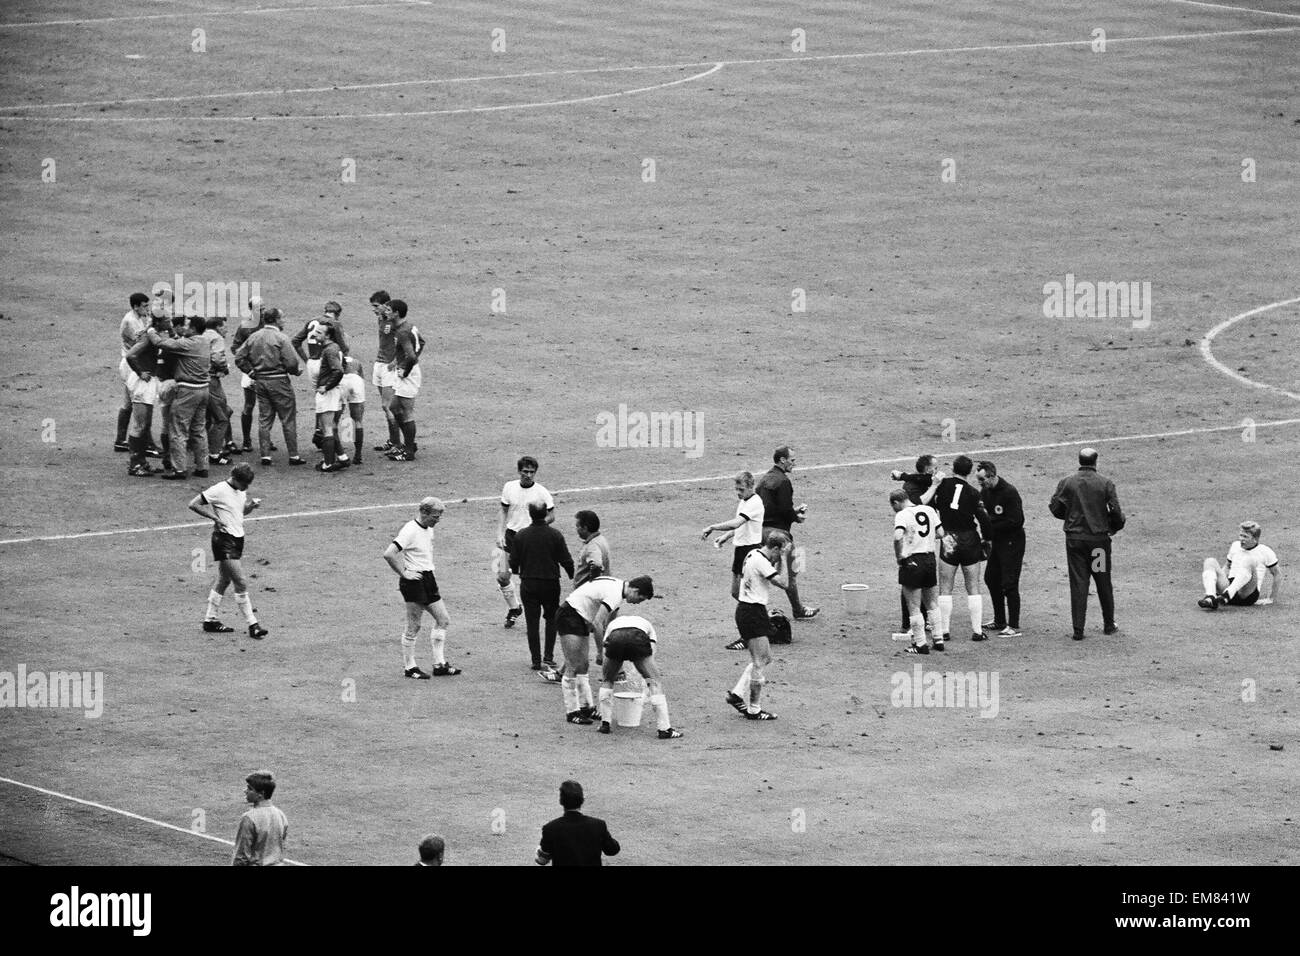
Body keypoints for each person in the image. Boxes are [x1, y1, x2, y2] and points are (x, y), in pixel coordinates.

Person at [542, 575, 653, 723]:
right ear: (635, 590)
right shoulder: (614, 594)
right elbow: (597, 624)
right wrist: (601, 652)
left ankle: (586, 708)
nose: (637, 603)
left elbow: (608, 624)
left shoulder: (618, 589)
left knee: (583, 665)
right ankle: (572, 712)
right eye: (640, 599)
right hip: (570, 615)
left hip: (580, 617)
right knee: (573, 665)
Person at [1048, 447, 1125, 640]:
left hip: (1075, 542)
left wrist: (1070, 517)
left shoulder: (1067, 482)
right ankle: (1108, 624)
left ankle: (1078, 629)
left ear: (1080, 461)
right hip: (1098, 543)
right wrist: (1113, 526)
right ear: (1095, 462)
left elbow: (1055, 507)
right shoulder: (1105, 483)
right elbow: (1116, 512)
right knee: (1102, 581)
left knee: (1079, 582)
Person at [382, 498, 460, 678]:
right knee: (414, 626)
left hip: (428, 578)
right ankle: (410, 667)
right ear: (424, 513)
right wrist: (404, 574)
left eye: (440, 515)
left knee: (443, 619)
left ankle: (439, 664)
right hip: (414, 581)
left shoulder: (429, 529)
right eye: (435, 515)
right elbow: (389, 554)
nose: (438, 519)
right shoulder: (410, 530)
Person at [188, 463, 268, 639]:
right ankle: (253, 624)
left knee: (224, 580)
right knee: (240, 581)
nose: (247, 487)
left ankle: (210, 620)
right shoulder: (218, 490)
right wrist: (214, 518)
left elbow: (240, 512)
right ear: (236, 479)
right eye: (245, 484)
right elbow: (193, 504)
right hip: (223, 541)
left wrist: (251, 506)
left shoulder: (240, 490)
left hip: (238, 538)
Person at [920, 455, 991, 643]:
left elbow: (930, 503)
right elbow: (984, 520)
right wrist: (988, 540)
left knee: (945, 587)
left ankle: (944, 630)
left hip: (949, 538)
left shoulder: (943, 484)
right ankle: (977, 631)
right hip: (969, 539)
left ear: (953, 468)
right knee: (973, 586)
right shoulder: (974, 493)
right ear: (969, 472)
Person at [726, 530, 790, 720]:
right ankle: (754, 709)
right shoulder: (761, 561)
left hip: (750, 611)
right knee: (759, 662)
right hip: (752, 613)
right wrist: (784, 559)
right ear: (776, 548)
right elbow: (784, 583)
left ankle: (737, 694)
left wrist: (779, 558)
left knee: (765, 657)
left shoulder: (753, 554)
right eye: (781, 551)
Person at [233, 306, 305, 467]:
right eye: (282, 318)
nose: (284, 320)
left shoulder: (254, 337)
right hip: (279, 381)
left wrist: (251, 372)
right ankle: (293, 455)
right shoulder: (281, 338)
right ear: (276, 320)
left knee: (265, 418)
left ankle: (265, 455)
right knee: (288, 418)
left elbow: (239, 356)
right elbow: (292, 362)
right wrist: (294, 371)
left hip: (261, 381)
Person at [510, 501, 575, 670]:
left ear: (530, 514)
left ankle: (536, 660)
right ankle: (548, 657)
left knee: (532, 622)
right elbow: (566, 559)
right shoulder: (555, 535)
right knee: (551, 619)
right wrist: (572, 575)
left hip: (529, 583)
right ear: (546, 513)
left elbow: (514, 561)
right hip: (550, 582)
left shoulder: (521, 535)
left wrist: (519, 571)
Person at [595, 614, 682, 739]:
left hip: (614, 638)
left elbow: (606, 654)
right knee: (654, 682)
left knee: (607, 680)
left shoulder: (611, 626)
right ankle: (664, 729)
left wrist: (615, 673)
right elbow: (650, 653)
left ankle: (605, 724)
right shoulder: (648, 626)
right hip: (637, 637)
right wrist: (646, 681)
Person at [756, 446, 818, 619]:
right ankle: (798, 610)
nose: (794, 464)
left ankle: (760, 611)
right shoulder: (783, 481)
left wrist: (793, 510)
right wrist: (796, 517)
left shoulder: (763, 480)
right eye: (792, 460)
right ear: (782, 460)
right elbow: (784, 509)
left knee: (760, 573)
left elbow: (767, 507)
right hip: (779, 535)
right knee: (792, 571)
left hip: (760, 534)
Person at [149, 314, 213, 480]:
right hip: (204, 389)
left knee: (178, 429)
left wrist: (150, 332)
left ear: (193, 329)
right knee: (199, 429)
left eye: (188, 326)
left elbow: (162, 343)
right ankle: (202, 467)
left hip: (188, 391)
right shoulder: (205, 341)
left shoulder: (188, 344)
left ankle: (179, 469)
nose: (185, 328)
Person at [497, 456, 554, 629]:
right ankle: (515, 608)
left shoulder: (542, 492)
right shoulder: (509, 487)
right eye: (525, 471)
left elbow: (551, 515)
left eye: (531, 472)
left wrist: (535, 527)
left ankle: (534, 613)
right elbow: (503, 510)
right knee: (502, 576)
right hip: (511, 536)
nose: (528, 475)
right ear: (519, 471)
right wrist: (499, 532)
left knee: (526, 578)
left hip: (530, 539)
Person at [700, 471, 766, 616]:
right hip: (741, 550)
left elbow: (737, 523)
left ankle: (758, 623)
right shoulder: (744, 501)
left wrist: (713, 527)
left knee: (745, 595)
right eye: (736, 489)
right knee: (737, 593)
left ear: (751, 487)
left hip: (750, 551)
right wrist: (727, 536)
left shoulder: (755, 502)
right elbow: (742, 525)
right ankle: (760, 620)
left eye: (741, 489)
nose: (738, 492)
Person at [889, 454, 937, 638]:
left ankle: (923, 629)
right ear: (926, 469)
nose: (936, 471)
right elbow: (918, 505)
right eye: (934, 467)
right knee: (912, 588)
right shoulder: (910, 488)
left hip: (922, 545)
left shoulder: (921, 480)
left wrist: (902, 474)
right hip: (914, 544)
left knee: (920, 586)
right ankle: (910, 625)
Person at [890, 489, 943, 654]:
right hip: (930, 560)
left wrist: (900, 556)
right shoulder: (929, 510)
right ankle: (938, 639)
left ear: (896, 503)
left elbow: (898, 536)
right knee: (932, 603)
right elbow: (940, 533)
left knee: (913, 605)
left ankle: (920, 644)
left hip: (912, 561)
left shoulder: (902, 515)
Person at [976, 461, 1025, 636]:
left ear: (991, 475)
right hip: (996, 542)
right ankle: (999, 620)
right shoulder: (986, 492)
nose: (980, 483)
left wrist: (992, 526)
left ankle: (1013, 625)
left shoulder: (1009, 493)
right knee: (991, 578)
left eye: (982, 479)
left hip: (1012, 542)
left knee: (1009, 582)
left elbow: (1017, 521)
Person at [535, 781, 620, 867]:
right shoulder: (598, 825)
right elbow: (612, 850)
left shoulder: (550, 828)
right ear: (582, 800)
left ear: (561, 801)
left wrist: (539, 850)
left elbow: (542, 860)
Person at [1199, 521, 1281, 609]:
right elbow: (1227, 566)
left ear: (1255, 539)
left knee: (1249, 560)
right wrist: (1218, 583)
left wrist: (1271, 598)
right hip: (1229, 588)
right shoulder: (1235, 545)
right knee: (1210, 561)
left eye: (1245, 536)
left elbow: (1277, 573)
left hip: (1247, 593)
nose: (1241, 539)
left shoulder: (1265, 551)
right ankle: (1211, 597)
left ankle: (1227, 594)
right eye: (1241, 535)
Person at [384, 299, 424, 461]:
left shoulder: (402, 332)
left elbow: (412, 356)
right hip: (407, 370)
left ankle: (409, 451)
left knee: (406, 412)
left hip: (408, 374)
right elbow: (421, 343)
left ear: (396, 313)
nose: (385, 312)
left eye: (388, 310)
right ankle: (409, 444)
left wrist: (405, 371)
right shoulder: (409, 326)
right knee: (394, 407)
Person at [114, 292, 151, 452]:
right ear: (136, 306)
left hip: (131, 363)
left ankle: (120, 440)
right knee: (140, 402)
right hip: (131, 365)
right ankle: (145, 442)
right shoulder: (131, 321)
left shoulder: (136, 318)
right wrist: (152, 326)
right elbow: (143, 343)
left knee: (128, 404)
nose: (147, 309)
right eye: (144, 306)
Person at [232, 770, 289, 867]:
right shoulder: (280, 815)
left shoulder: (249, 818)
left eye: (250, 789)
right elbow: (281, 846)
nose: (245, 791)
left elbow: (241, 856)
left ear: (260, 794)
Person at [312, 323, 348, 472]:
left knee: (326, 428)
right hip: (335, 391)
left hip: (329, 392)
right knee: (331, 427)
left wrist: (326, 387)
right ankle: (342, 457)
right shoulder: (335, 348)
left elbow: (338, 370)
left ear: (328, 336)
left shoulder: (329, 350)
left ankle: (328, 463)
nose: (315, 335)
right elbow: (343, 365)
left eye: (319, 333)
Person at [369, 291, 401, 455]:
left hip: (389, 366)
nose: (373, 310)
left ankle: (398, 444)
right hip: (379, 364)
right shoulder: (380, 319)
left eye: (376, 306)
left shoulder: (395, 322)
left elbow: (403, 341)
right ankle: (392, 441)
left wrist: (395, 361)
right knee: (386, 407)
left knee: (388, 406)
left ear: (385, 305)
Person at [202, 316, 236, 466]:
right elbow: (217, 357)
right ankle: (214, 453)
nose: (226, 329)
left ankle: (203, 448)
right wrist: (224, 368)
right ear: (217, 327)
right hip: (211, 381)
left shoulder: (201, 336)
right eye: (224, 327)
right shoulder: (216, 338)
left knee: (207, 417)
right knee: (222, 416)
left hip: (198, 380)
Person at [573, 510, 611, 588]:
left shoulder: (592, 545)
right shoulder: (601, 539)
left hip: (588, 592)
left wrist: (592, 583)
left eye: (578, 526)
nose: (576, 529)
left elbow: (597, 564)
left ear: (585, 528)